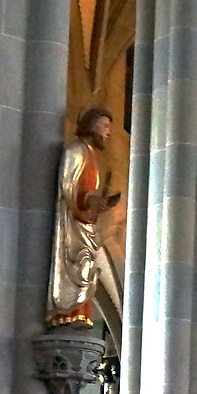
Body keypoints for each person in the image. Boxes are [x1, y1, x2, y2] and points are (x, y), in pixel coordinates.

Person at [48, 106, 122, 331]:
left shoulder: (89, 153)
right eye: (105, 125)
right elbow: (68, 186)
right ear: (91, 124)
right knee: (77, 266)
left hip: (85, 226)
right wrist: (89, 199)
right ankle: (67, 314)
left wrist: (100, 202)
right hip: (73, 227)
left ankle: (78, 315)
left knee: (86, 270)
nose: (108, 132)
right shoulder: (77, 151)